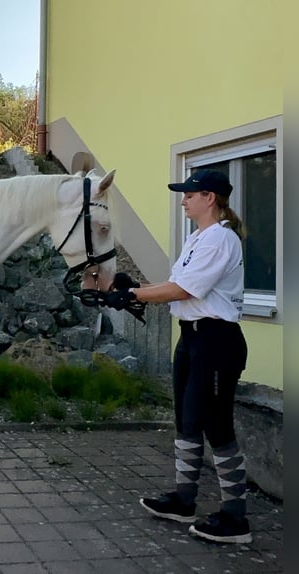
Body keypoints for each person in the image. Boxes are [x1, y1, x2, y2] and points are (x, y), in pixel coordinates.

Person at [105, 169, 251, 544]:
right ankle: (184, 500)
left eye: (190, 194)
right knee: (187, 420)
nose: (183, 199)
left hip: (217, 341)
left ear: (210, 198)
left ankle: (236, 519)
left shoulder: (220, 239)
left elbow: (184, 290)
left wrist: (134, 296)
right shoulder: (197, 239)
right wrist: (134, 287)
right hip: (192, 338)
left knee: (217, 426)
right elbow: (173, 286)